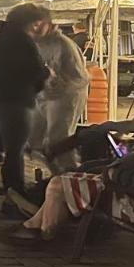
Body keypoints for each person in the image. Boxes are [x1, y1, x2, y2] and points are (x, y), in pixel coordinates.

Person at [9, 121, 134, 244]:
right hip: (132, 196)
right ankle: (38, 221)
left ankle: (43, 230)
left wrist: (116, 174)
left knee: (59, 185)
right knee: (73, 176)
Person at [0, 3, 51, 217]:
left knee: (13, 150)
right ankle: (14, 197)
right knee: (14, 152)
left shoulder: (0, 40)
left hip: (3, 99)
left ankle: (12, 195)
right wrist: (44, 76)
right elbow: (34, 70)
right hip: (17, 100)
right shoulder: (21, 42)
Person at [31, 16, 89, 173]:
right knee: (33, 138)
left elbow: (73, 77)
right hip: (46, 96)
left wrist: (52, 81)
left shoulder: (62, 45)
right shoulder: (39, 44)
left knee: (58, 140)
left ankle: (69, 175)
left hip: (65, 96)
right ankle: (56, 173)